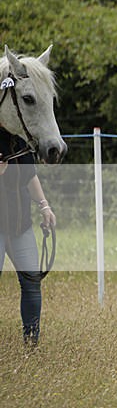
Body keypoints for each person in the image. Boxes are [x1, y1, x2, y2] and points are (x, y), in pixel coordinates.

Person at [0, 129, 56, 346]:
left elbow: (30, 175)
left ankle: (31, 342)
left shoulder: (21, 138)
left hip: (20, 225)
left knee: (32, 282)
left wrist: (44, 206)